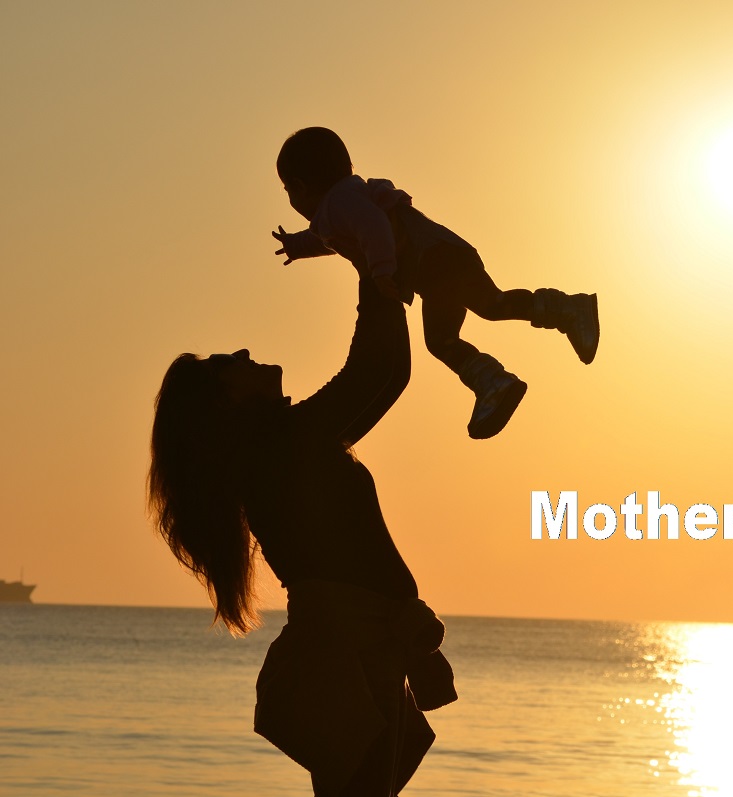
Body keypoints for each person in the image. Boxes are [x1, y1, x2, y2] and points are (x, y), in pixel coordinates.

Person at [148, 266, 454, 796]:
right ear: (227, 401)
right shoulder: (285, 446)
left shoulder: (290, 447)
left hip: (360, 648)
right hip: (347, 652)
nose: (244, 353)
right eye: (230, 365)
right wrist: (370, 262)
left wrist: (381, 274)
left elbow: (388, 376)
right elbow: (375, 370)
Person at [271, 126, 600, 440]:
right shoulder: (342, 203)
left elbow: (371, 226)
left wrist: (382, 272)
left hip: (436, 259)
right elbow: (328, 238)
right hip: (435, 268)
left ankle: (557, 320)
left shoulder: (339, 203)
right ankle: (496, 378)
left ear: (299, 187)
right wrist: (297, 246)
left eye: (288, 191)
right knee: (461, 326)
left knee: (484, 309)